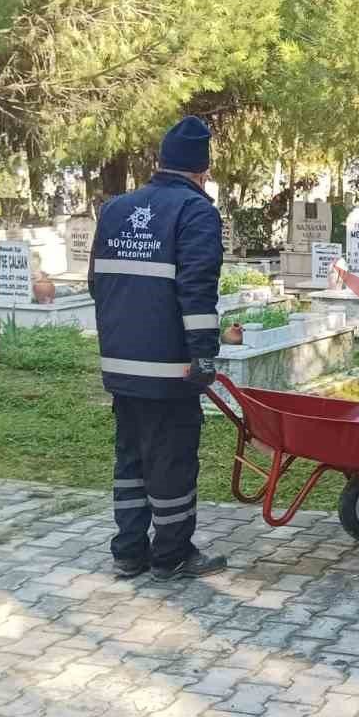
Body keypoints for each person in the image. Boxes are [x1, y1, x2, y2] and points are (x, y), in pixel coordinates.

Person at [89, 116, 228, 581]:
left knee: (130, 458)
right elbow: (197, 291)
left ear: (161, 160)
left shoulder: (114, 209)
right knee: (171, 461)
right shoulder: (196, 212)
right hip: (169, 369)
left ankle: (129, 551)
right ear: (202, 170)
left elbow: (95, 284)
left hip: (120, 364)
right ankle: (171, 555)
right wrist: (203, 354)